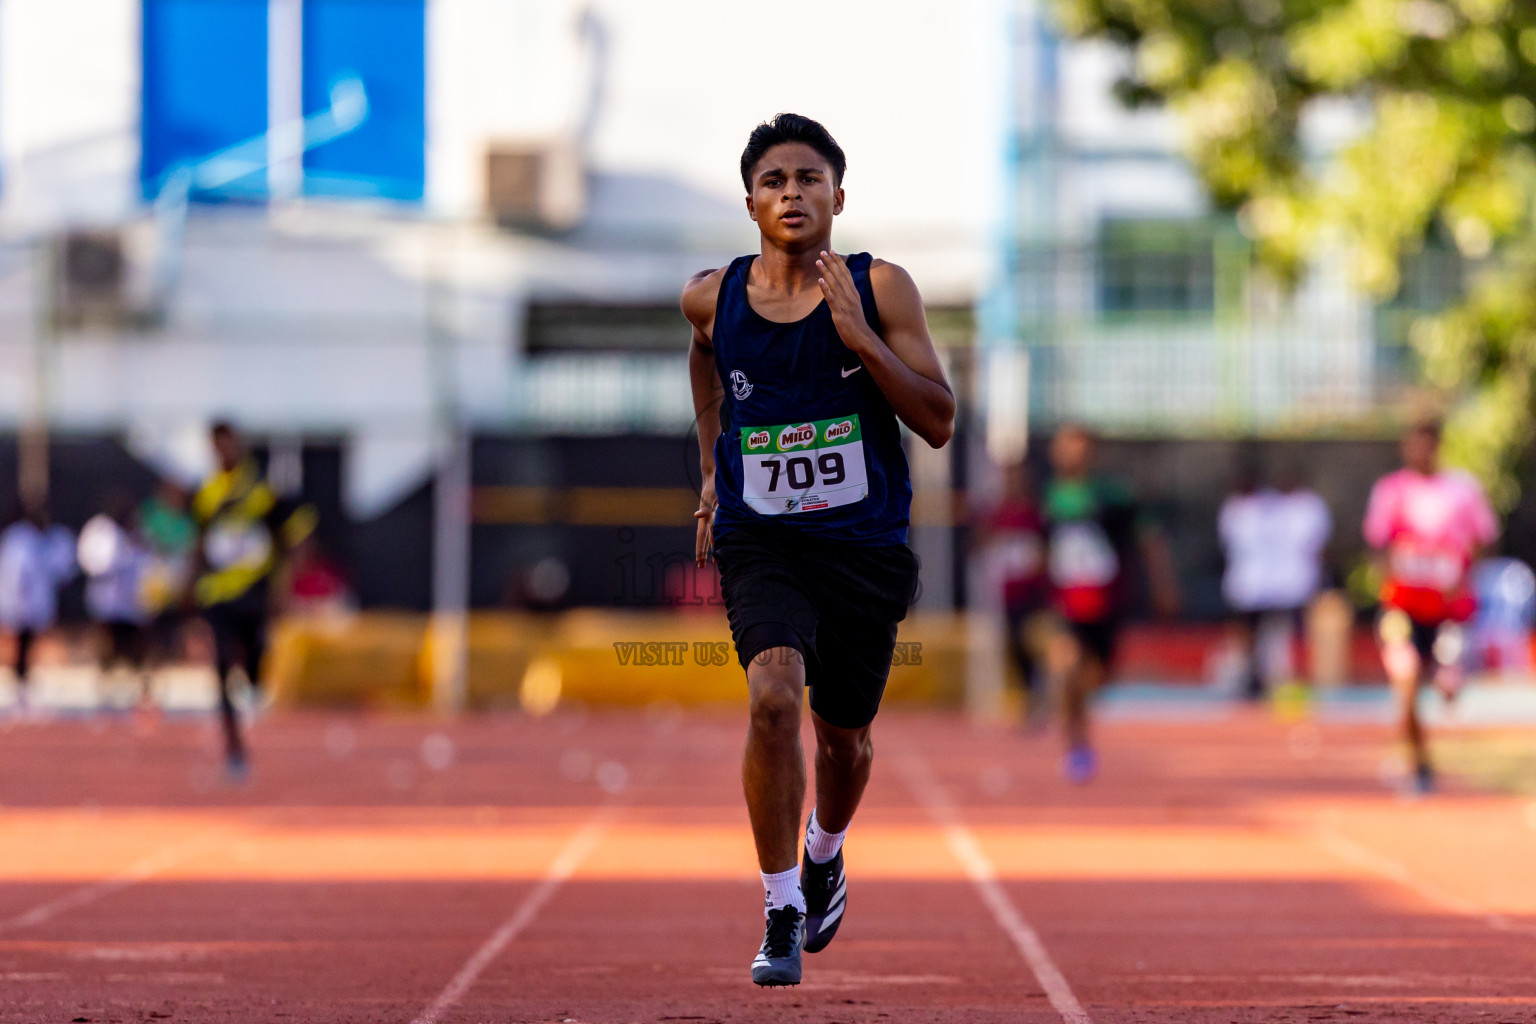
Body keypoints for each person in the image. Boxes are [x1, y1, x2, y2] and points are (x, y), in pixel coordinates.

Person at [683, 113, 954, 987]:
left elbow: (940, 422)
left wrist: (861, 339)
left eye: (809, 179)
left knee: (843, 740)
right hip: (763, 540)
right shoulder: (710, 296)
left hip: (864, 545)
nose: (791, 194)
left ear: (840, 195)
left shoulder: (883, 289)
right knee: (771, 698)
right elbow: (704, 360)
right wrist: (711, 471)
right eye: (774, 181)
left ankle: (825, 852)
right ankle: (779, 906)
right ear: (751, 201)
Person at [1363, 419, 1497, 793]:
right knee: (1405, 683)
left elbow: (1485, 539)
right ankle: (1419, 762)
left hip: (1450, 610)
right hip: (1402, 606)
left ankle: (1449, 683)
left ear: (1438, 445)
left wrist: (1465, 573)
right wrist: (1387, 574)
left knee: (1447, 685)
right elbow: (1377, 544)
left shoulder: (1463, 490)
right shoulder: (1391, 491)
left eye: (1428, 444)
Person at [1043, 424, 1179, 784]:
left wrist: (1163, 584)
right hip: (1066, 605)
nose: (1073, 453)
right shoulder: (1047, 497)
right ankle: (1078, 746)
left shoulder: (1113, 496)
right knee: (1067, 669)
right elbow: (1043, 548)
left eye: (1080, 446)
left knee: (1097, 679)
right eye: (1066, 446)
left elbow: (1149, 538)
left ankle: (1080, 717)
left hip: (1106, 603)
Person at [190, 422, 315, 780]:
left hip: (255, 594)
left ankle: (255, 680)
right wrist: (189, 585)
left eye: (228, 444)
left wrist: (287, 582)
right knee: (222, 667)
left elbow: (296, 529)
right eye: (217, 446)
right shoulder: (208, 493)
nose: (223, 451)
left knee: (254, 667)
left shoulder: (262, 490)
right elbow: (200, 541)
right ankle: (234, 752)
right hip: (217, 595)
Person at [1217, 462, 1331, 700]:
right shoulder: (1240, 509)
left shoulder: (1292, 507)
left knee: (1286, 634)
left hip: (1286, 584)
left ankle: (1288, 680)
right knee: (1249, 633)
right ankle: (1252, 678)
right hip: (1250, 583)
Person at [972, 459, 1049, 715]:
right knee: (1013, 643)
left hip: (1033, 592)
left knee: (1031, 640)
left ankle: (1039, 688)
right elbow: (980, 545)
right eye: (1008, 478)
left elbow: (1046, 545)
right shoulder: (996, 513)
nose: (1012, 482)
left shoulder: (1035, 511)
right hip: (1005, 594)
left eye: (1017, 477)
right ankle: (1030, 690)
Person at [0, 501, 77, 713]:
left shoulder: (47, 539)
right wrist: (17, 601)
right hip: (20, 605)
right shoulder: (20, 539)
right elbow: (16, 574)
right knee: (20, 645)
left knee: (30, 645)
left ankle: (24, 686)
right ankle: (19, 687)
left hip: (34, 604)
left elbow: (60, 569)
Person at [77, 491, 153, 705]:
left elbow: (148, 562)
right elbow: (94, 562)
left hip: (133, 603)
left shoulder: (139, 531)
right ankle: (106, 683)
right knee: (108, 644)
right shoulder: (100, 531)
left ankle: (140, 685)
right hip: (107, 602)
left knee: (136, 645)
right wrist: (122, 551)